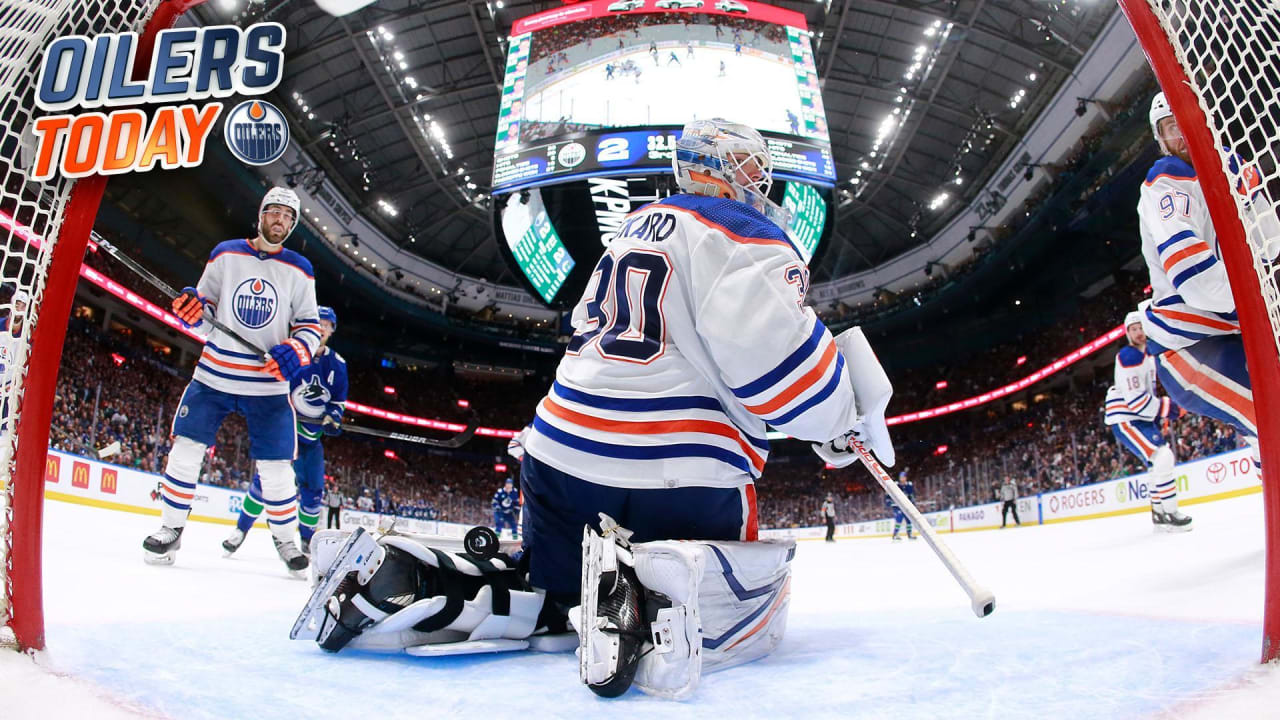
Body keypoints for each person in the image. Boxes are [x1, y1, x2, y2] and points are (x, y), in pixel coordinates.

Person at [301, 118, 896, 700]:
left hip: (557, 455)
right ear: (713, 170)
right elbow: (776, 366)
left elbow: (592, 330)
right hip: (679, 470)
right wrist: (840, 419)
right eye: (746, 164)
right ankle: (642, 596)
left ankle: (427, 578)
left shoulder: (632, 227)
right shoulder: (746, 231)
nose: (756, 179)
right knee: (739, 599)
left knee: (550, 601)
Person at [141, 187, 320, 571]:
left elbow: (308, 326)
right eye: (274, 212)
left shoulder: (300, 269)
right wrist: (192, 310)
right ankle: (170, 529)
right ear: (261, 214)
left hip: (267, 386)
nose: (280, 221)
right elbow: (205, 315)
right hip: (214, 375)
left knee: (275, 471)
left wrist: (296, 352)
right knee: (185, 451)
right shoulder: (226, 253)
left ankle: (287, 543)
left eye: (288, 217)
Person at [1137, 92, 1264, 484]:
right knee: (1271, 414)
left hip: (1240, 328)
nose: (1182, 132)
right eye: (1170, 127)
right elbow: (1197, 281)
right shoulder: (1165, 181)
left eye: (1185, 119)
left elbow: (1270, 242)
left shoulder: (1235, 167)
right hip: (1191, 347)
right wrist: (1257, 300)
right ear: (1161, 139)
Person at [222, 306, 349, 556]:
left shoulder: (338, 364)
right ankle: (240, 530)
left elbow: (338, 400)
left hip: (312, 439)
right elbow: (276, 384)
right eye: (319, 322)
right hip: (286, 433)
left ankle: (306, 540)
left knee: (313, 491)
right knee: (265, 482)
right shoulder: (296, 354)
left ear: (332, 330)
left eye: (327, 324)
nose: (322, 327)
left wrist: (333, 417)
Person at [1104, 307, 1190, 530]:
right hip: (1127, 417)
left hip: (1140, 417)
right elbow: (1136, 401)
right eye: (1133, 329)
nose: (1139, 332)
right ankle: (1170, 513)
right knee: (1162, 457)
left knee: (1156, 463)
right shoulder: (1129, 356)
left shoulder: (1147, 355)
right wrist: (1170, 408)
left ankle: (1160, 513)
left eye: (1141, 326)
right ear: (1127, 334)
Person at [886, 471, 914, 540]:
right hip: (897, 506)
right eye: (901, 477)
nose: (903, 479)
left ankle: (909, 534)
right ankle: (895, 534)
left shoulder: (909, 485)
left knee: (909, 520)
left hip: (906, 506)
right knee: (899, 519)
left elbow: (912, 495)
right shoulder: (896, 485)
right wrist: (888, 500)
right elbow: (889, 493)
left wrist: (912, 501)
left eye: (904, 477)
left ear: (906, 478)